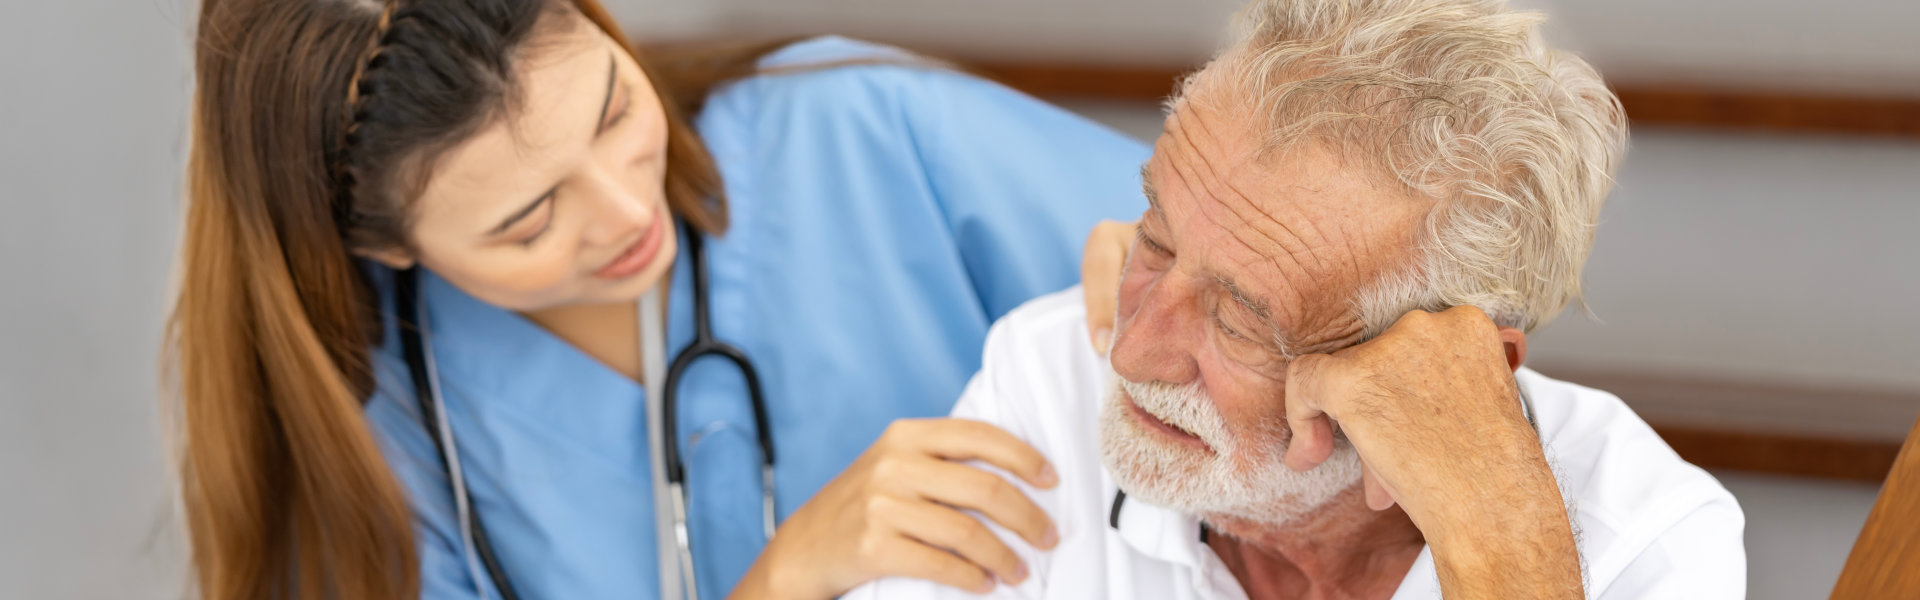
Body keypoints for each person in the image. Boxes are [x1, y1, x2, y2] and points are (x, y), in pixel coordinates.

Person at [169, 0, 1148, 598]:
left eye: (613, 110)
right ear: (382, 243)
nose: (629, 207)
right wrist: (788, 578)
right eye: (529, 221)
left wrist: (1182, 264)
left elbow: (1233, 266)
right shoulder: (377, 448)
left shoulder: (858, 131)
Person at [849, 0, 1747, 598]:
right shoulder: (1049, 376)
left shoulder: (1645, 537)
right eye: (1155, 241)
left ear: (1461, 370)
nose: (1131, 353)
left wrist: (1498, 542)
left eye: (1242, 322)